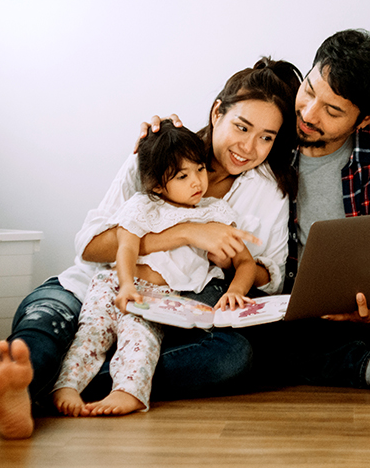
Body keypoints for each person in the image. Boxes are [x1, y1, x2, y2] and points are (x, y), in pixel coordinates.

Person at [0, 57, 301, 438]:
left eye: (266, 137)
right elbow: (91, 247)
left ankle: (66, 386)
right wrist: (186, 233)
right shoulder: (155, 155)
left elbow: (271, 275)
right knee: (47, 322)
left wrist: (230, 266)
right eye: (241, 127)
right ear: (217, 113)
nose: (249, 147)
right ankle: (24, 384)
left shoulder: (268, 189)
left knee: (233, 356)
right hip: (99, 286)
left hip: (166, 312)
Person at [240, 28, 370, 399]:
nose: (307, 113)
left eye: (332, 111)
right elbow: (211, 147)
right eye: (309, 90)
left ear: (365, 119)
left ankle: (333, 361)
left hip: (351, 321)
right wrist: (163, 137)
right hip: (269, 309)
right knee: (243, 346)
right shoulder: (269, 129)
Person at [52, 121, 258, 417]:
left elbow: (245, 261)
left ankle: (127, 392)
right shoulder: (143, 205)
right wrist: (126, 285)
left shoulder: (214, 213)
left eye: (200, 169)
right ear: (159, 184)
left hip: (158, 298)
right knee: (92, 333)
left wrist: (235, 291)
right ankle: (66, 385)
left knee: (140, 340)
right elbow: (126, 246)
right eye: (183, 176)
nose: (197, 181)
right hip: (115, 285)